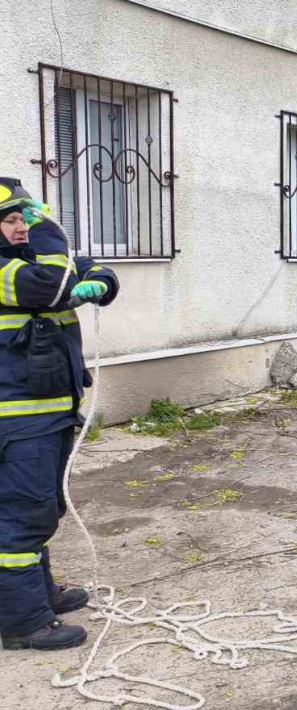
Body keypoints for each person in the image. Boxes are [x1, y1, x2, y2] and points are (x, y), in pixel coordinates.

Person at [0, 177, 119, 651]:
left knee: (41, 508)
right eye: (12, 219)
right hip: (18, 420)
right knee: (22, 514)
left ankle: (40, 594)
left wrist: (99, 282)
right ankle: (23, 622)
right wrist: (46, 224)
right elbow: (50, 284)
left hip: (45, 415)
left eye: (25, 218)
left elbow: (96, 270)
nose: (22, 228)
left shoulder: (33, 264)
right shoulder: (12, 272)